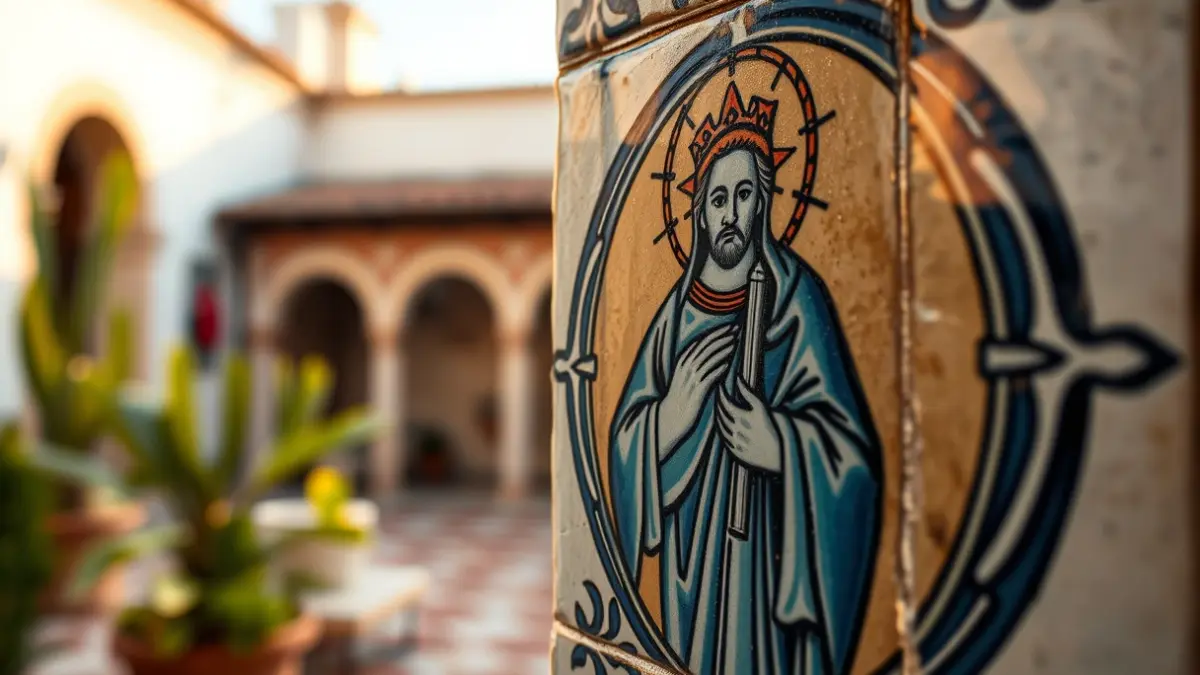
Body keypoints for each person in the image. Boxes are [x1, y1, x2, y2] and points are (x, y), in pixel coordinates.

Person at [608, 82, 882, 675]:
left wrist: (781, 445)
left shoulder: (793, 301)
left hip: (765, 564)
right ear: (700, 212)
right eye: (718, 199)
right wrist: (668, 420)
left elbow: (851, 460)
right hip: (686, 569)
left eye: (745, 195)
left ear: (764, 204)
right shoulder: (675, 314)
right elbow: (625, 440)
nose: (731, 214)